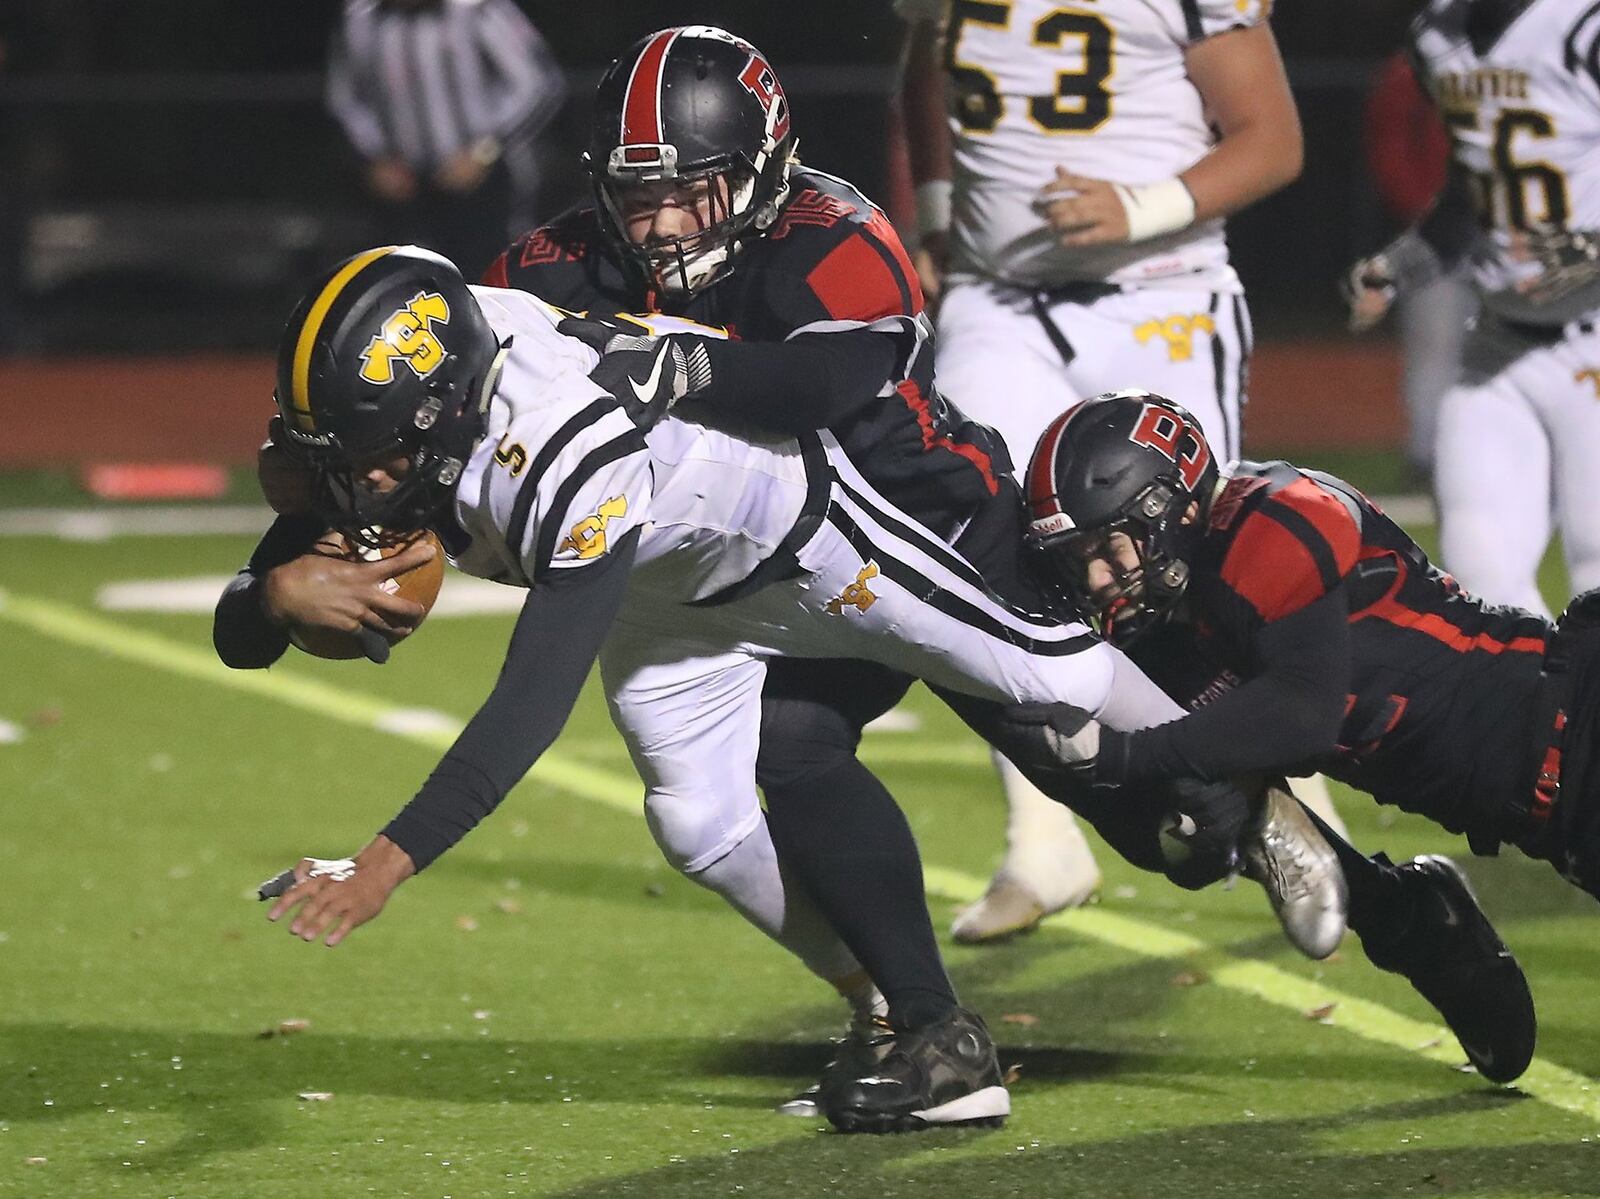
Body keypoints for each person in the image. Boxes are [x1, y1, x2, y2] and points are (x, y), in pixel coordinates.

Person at [220, 245, 1338, 1133]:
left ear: (445, 417)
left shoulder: (561, 448)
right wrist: (274, 596)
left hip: (808, 530)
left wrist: (386, 860)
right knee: (697, 822)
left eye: (367, 457)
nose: (354, 484)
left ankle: (1262, 791)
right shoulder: (420, 378)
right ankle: (911, 1025)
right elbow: (245, 622)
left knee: (1047, 669)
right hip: (676, 586)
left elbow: (530, 703)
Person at [478, 23, 1341, 1128]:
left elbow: (818, 384)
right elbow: (457, 372)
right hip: (786, 578)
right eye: (636, 194)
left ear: (764, 169)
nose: (660, 223)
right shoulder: (554, 263)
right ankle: (923, 1022)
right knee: (783, 752)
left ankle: (1271, 820)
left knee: (1140, 804)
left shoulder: (835, 232)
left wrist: (679, 360)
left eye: (693, 191)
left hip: (936, 535)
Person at [895, 0, 1309, 941]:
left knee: (1201, 562)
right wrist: (935, 211)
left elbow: (1272, 138)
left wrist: (1139, 206)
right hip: (1000, 301)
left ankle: (1290, 803)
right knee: (983, 555)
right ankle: (1043, 836)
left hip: (1159, 291)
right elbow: (923, 66)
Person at [1009, 389, 1557, 1083]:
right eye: (1075, 557)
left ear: (1169, 508)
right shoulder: (1169, 621)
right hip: (1519, 792)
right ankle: (1413, 922)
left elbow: (1301, 714)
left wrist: (1128, 754)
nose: (1094, 576)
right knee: (1197, 801)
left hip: (1566, 721)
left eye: (1105, 546)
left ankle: (1414, 923)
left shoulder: (1276, 518)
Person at [1346, 0, 1600, 617]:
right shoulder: (1437, 35)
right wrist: (1407, 262)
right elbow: (1477, 184)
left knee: (1595, 565)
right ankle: (1548, 713)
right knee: (1479, 583)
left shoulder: (1583, 28)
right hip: (1497, 341)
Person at [326, 0, 565, 279]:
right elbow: (345, 99)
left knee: (492, 276)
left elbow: (536, 84)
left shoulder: (478, 9)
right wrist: (374, 157)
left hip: (486, 181)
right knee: (407, 282)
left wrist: (483, 152)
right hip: (403, 185)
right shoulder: (361, 17)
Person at [1360, 51, 1475, 487]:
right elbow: (1390, 146)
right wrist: (1425, 212)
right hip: (1438, 235)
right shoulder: (1414, 68)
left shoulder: (1541, 55)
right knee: (1435, 351)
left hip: (1519, 239)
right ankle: (1428, 457)